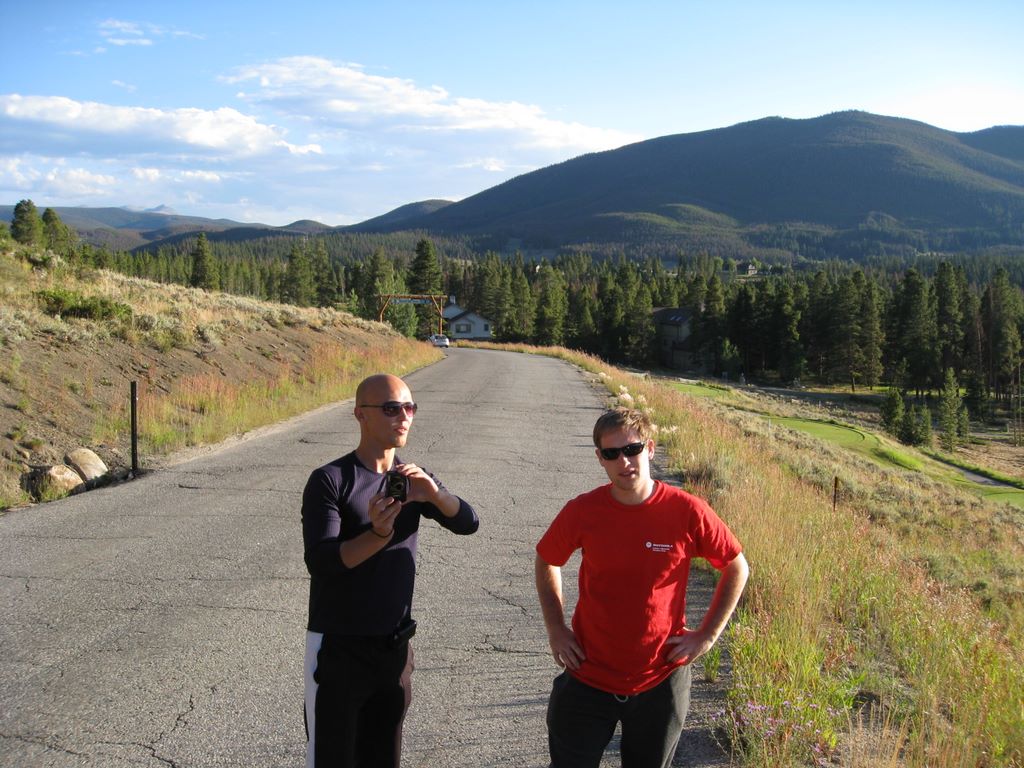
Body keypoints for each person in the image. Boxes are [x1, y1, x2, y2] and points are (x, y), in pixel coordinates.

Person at [535, 407, 749, 768]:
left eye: (632, 449)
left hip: (660, 681)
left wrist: (707, 635)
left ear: (649, 449)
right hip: (588, 675)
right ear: (600, 458)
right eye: (611, 453)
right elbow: (547, 560)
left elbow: (736, 566)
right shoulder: (583, 511)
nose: (624, 461)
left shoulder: (687, 510)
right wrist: (556, 628)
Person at [301, 373, 479, 768]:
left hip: (394, 651)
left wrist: (436, 495)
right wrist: (379, 534)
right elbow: (323, 563)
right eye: (391, 408)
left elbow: (468, 523)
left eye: (410, 408)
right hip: (338, 650)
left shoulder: (411, 479)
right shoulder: (331, 480)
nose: (404, 417)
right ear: (360, 414)